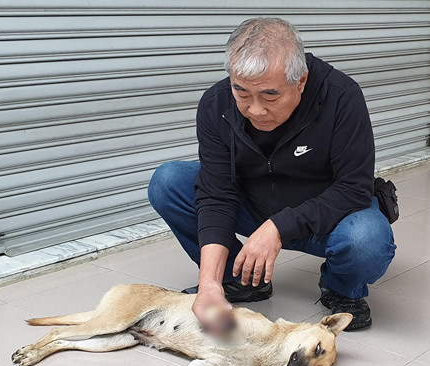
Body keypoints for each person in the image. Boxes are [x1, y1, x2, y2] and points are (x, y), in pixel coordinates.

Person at [148, 17, 396, 332]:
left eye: (270, 96)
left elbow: (354, 189)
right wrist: (208, 281)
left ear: (301, 81)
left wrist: (277, 228)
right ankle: (238, 280)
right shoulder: (216, 105)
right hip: (254, 208)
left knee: (367, 239)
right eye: (242, 93)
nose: (254, 110)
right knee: (168, 182)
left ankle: (341, 289)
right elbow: (216, 193)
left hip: (328, 221)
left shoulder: (341, 96)